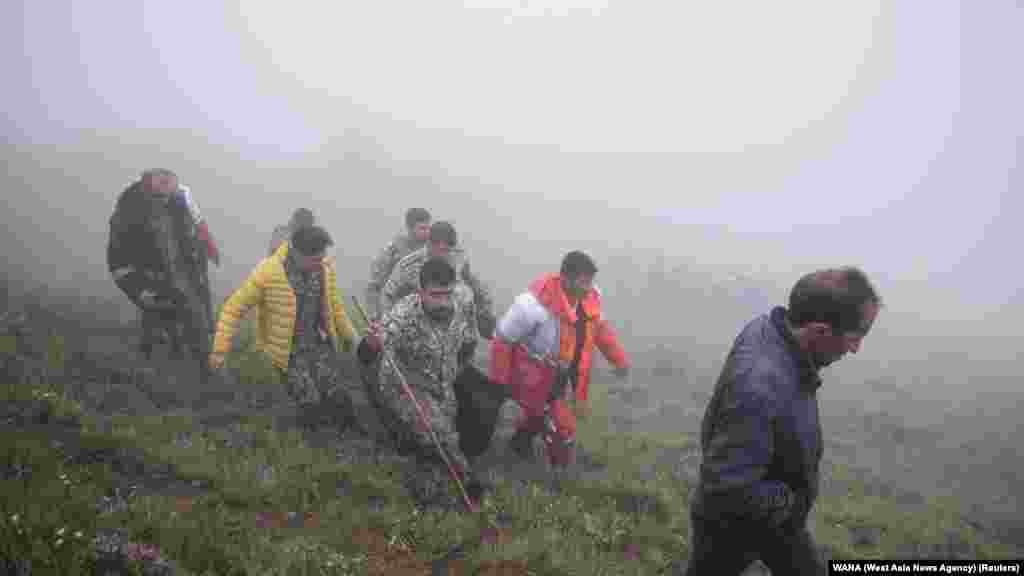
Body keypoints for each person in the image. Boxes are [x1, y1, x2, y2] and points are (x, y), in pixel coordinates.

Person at [675, 267, 881, 575]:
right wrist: (790, 500)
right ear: (820, 332)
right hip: (732, 524)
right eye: (854, 337)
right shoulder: (759, 384)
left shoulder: (774, 331)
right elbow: (727, 490)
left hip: (776, 517)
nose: (855, 349)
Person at [357, 256, 485, 510]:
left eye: (447, 294)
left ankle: (414, 449)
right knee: (439, 435)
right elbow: (366, 354)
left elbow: (468, 342)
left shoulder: (461, 305)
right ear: (421, 291)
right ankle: (469, 484)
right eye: (435, 295)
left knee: (443, 436)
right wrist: (372, 343)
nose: (442, 301)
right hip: (405, 386)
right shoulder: (403, 314)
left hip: (442, 386)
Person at [489, 250, 631, 469]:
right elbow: (502, 340)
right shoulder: (531, 306)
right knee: (560, 428)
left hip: (562, 375)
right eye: (583, 282)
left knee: (545, 418)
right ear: (565, 278)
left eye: (590, 281)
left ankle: (523, 447)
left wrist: (619, 360)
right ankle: (557, 476)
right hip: (529, 372)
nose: (588, 287)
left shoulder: (591, 298)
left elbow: (600, 331)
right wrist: (499, 383)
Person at [209, 226, 359, 430]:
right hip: (288, 352)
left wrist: (353, 339)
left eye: (322, 257)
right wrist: (219, 352)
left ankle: (349, 438)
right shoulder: (269, 272)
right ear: (297, 253)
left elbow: (336, 308)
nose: (320, 263)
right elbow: (232, 310)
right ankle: (311, 447)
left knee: (339, 398)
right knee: (310, 402)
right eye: (316, 259)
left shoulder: (324, 270)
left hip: (318, 344)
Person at [107, 168, 214, 383]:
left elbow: (195, 241)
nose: (164, 198)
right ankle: (156, 378)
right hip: (151, 280)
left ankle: (207, 378)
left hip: (182, 277)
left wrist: (200, 276)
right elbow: (119, 262)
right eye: (158, 193)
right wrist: (139, 290)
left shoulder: (181, 203)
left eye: (168, 192)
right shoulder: (130, 211)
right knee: (159, 323)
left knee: (196, 323)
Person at [381, 220, 496, 339]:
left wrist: (485, 314)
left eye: (448, 247)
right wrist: (389, 325)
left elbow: (477, 287)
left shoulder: (458, 259)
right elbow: (388, 294)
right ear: (429, 243)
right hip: (417, 324)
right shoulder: (408, 265)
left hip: (451, 325)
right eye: (439, 246)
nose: (444, 251)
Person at [366, 207, 432, 320]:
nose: (427, 232)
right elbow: (375, 286)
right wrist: (375, 316)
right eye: (422, 228)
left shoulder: (432, 249)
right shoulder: (393, 251)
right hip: (396, 312)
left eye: (428, 228)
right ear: (409, 228)